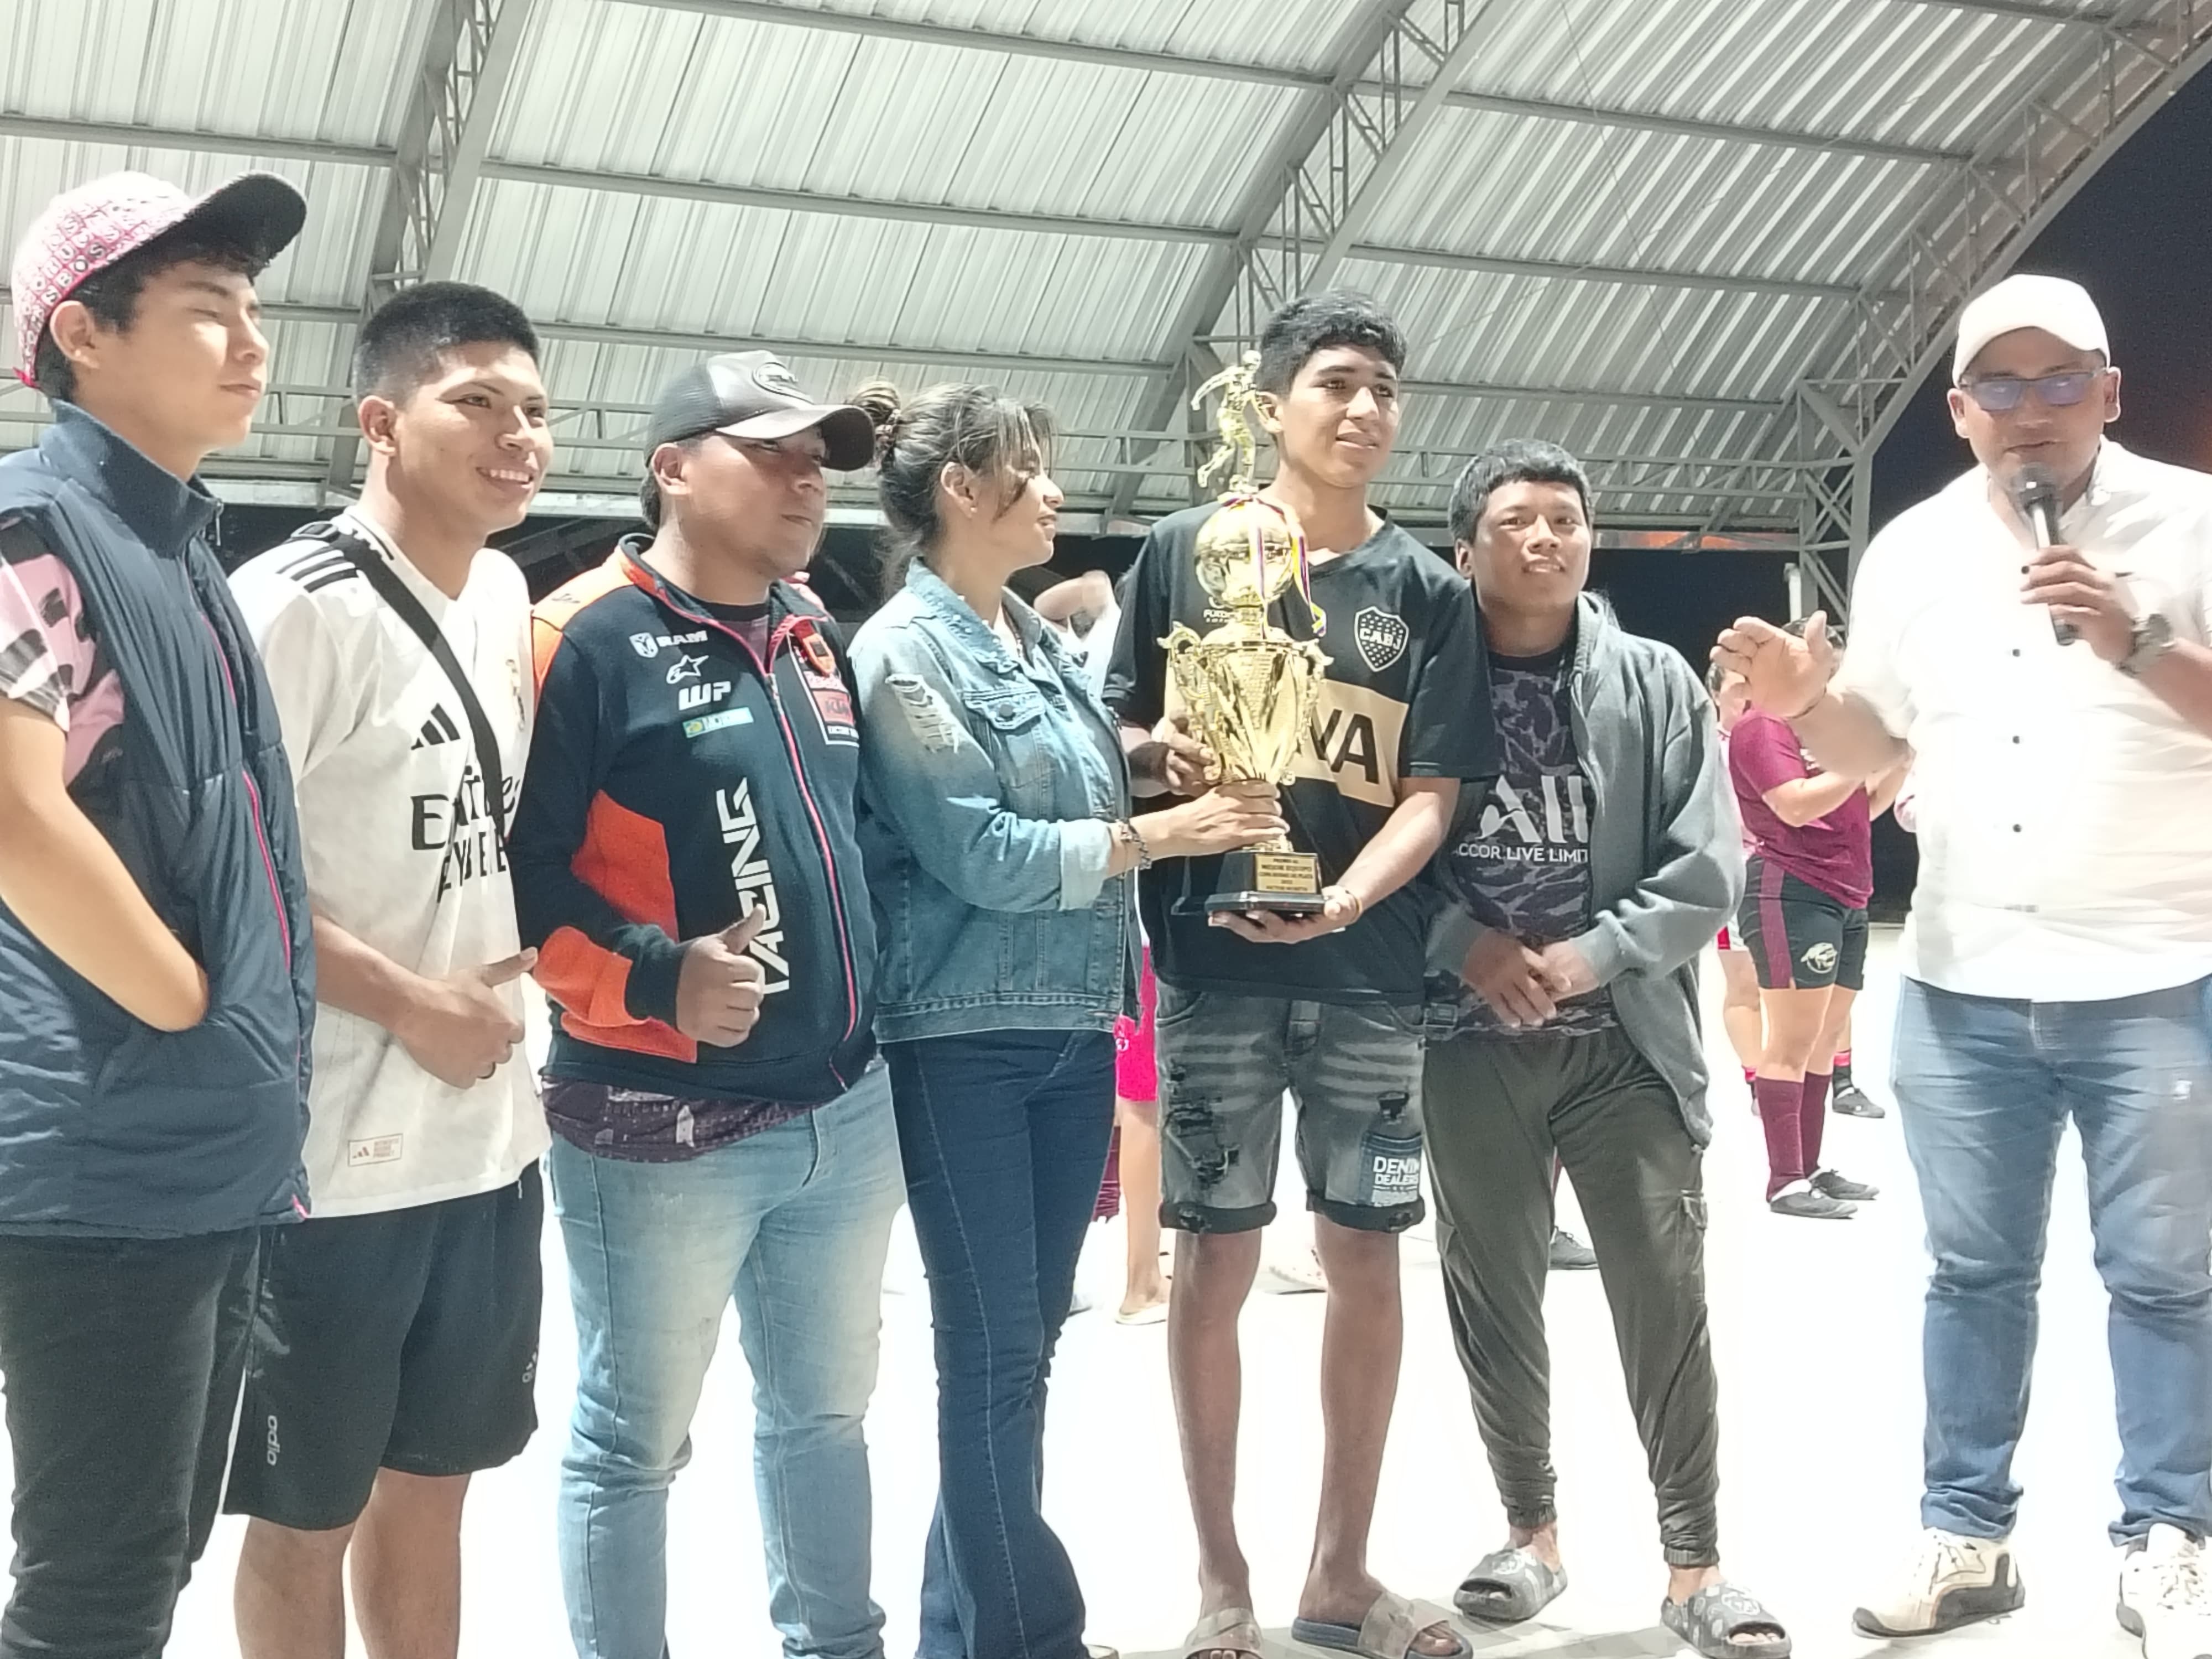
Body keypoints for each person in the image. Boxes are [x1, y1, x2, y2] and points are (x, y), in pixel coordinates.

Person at [1715, 273, 2212, 1656]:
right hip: (1962, 976)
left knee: (2164, 1277)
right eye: (2000, 384)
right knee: (1972, 1275)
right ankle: (1965, 1536)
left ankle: (2167, 1537)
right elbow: (1877, 750)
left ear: (2109, 393)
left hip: (2156, 968)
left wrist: (2134, 636)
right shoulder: (1913, 551)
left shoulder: (2190, 519)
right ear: (1956, 409)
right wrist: (1806, 704)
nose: (2030, 409)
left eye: (2060, 381)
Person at [848, 381, 1280, 1659]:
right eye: (1026, 469)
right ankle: (1031, 1635)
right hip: (962, 1041)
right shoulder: (903, 654)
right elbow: (978, 849)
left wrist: (1142, 764)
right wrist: (1163, 833)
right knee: (992, 1357)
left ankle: (959, 1631)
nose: (1050, 491)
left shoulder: (1032, 635)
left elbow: (1060, 780)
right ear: (959, 490)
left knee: (1021, 1350)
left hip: (1069, 1025)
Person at [1102, 293, 1496, 1659]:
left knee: (1363, 1253)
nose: (1364, 408)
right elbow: (1119, 726)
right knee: (1211, 1255)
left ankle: (1339, 1571)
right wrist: (1157, 761)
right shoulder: (1181, 550)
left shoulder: (1427, 593)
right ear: (1270, 407)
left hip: (1368, 974)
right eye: (1335, 382)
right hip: (1209, 963)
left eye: (1384, 387)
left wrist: (1341, 898)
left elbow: (1432, 792)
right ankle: (1221, 1578)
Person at [510, 352, 904, 1659]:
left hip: (842, 1106)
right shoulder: (581, 638)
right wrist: (656, 974)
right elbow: (519, 878)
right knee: (632, 1442)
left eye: (818, 458)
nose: (808, 479)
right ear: (672, 467)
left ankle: (837, 1642)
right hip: (658, 1122)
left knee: (825, 1417)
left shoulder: (808, 627)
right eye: (772, 452)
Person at [0, 169, 315, 1657]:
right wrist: (188, 1001)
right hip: (107, 1160)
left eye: (251, 308)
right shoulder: (31, 528)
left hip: (205, 1153)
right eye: (205, 310)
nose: (250, 342)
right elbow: (14, 815)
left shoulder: (179, 546)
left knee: (153, 1560)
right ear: (83, 332)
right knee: (98, 1590)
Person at [223, 282, 553, 1659]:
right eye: (476, 402)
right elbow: (221, 881)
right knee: (305, 1510)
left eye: (534, 408)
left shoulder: (506, 592)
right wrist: (413, 1001)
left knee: (436, 1486)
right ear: (378, 423)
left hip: (485, 1144)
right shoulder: (290, 608)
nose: (518, 435)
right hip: (327, 1162)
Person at [1425, 442, 1788, 1659]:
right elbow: (1370, 844)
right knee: (1492, 1297)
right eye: (1516, 520)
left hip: (1623, 1045)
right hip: (1465, 1043)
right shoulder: (1423, 681)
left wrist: (1591, 956)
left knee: (1663, 1297)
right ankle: (1528, 1536)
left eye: (1566, 519)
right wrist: (1462, 942)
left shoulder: (1652, 681)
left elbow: (1707, 863)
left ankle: (1696, 1566)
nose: (1545, 538)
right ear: (1464, 549)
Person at [1725, 634, 1892, 1219]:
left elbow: (1860, 806)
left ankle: (1810, 1165)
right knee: (1792, 1041)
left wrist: (1898, 756)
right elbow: (1795, 805)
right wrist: (1861, 758)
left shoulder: (1826, 731)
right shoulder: (1762, 726)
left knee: (1825, 1038)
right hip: (1793, 889)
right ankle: (1784, 1180)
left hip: (1849, 892)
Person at [1705, 665, 1764, 1094]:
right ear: (1715, 694)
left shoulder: (1780, 738)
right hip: (1737, 877)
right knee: (1745, 985)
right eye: (1739, 686)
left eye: (1754, 685)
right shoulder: (1704, 749)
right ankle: (1758, 1081)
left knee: (1807, 985)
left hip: (1790, 872)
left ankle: (1833, 1077)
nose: (1749, 695)